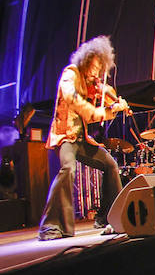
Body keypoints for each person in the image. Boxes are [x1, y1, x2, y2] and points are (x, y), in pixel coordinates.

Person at [37, 35, 129, 240]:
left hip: (82, 140)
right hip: (65, 137)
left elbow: (102, 109)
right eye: (94, 68)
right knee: (68, 169)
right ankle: (50, 226)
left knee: (111, 165)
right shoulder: (71, 74)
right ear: (85, 61)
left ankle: (107, 217)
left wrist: (114, 107)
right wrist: (99, 111)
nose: (96, 74)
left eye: (99, 70)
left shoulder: (92, 84)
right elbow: (73, 99)